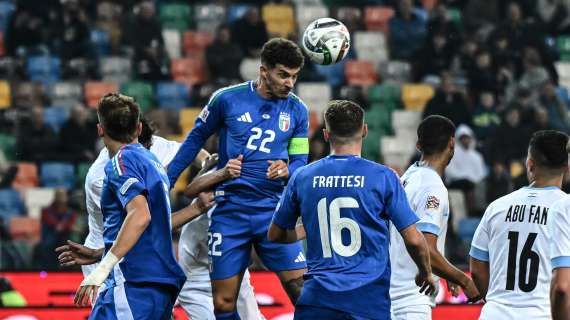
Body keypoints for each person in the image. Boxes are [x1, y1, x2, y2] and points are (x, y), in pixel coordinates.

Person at [57, 117, 263, 319]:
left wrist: (207, 167)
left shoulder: (151, 146)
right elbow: (143, 224)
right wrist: (198, 206)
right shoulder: (101, 177)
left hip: (143, 252)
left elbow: (190, 152)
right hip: (111, 253)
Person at [167, 38, 310, 319]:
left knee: (303, 293)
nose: (289, 83)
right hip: (230, 213)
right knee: (223, 303)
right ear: (263, 71)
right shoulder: (227, 99)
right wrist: (168, 179)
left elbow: (301, 163)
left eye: (294, 76)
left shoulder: (298, 110)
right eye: (283, 74)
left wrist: (288, 170)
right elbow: (195, 139)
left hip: (274, 213)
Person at [268, 100, 436, 319]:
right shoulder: (383, 177)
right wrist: (425, 272)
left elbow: (275, 234)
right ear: (364, 131)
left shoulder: (302, 177)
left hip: (317, 300)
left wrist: (309, 228)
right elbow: (414, 240)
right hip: (367, 300)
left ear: (326, 134)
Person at [73, 93, 186, 318]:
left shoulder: (119, 163)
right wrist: (99, 253)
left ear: (100, 130)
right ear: (139, 128)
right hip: (158, 283)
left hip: (132, 282)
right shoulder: (152, 162)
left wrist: (102, 269)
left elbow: (140, 215)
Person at [470, 130, 569, 319]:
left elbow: (476, 268)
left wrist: (497, 301)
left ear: (529, 164)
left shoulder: (497, 207)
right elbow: (563, 288)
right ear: (567, 167)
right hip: (542, 314)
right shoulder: (566, 210)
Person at [390, 116, 481, 320]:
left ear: (418, 144)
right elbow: (426, 249)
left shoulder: (407, 177)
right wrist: (464, 280)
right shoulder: (432, 186)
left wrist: (447, 272)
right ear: (452, 143)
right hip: (412, 301)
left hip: (393, 296)